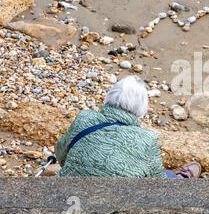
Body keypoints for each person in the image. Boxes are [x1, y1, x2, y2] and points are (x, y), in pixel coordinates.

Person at [55, 75, 201, 178]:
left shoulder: (84, 118)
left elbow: (61, 155)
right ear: (142, 108)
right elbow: (158, 186)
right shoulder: (147, 139)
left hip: (68, 197)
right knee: (166, 175)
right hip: (114, 209)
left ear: (110, 96)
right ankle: (182, 179)